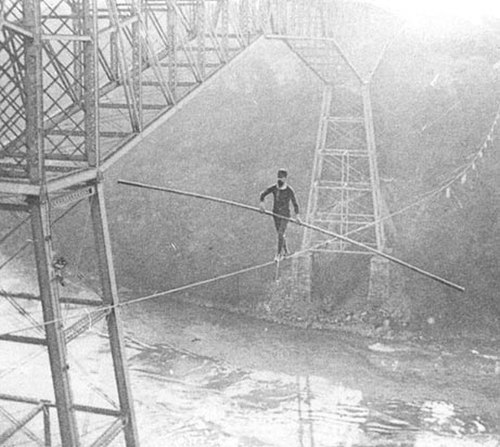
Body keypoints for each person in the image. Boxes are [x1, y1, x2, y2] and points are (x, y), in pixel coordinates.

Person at [259, 169, 300, 261]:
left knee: (281, 233)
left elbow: (295, 204)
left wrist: (297, 216)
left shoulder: (289, 190)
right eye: (278, 178)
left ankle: (278, 254)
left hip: (285, 215)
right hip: (276, 214)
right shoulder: (274, 188)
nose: (279, 180)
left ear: (285, 179)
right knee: (280, 234)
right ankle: (285, 251)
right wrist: (262, 204)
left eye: (281, 178)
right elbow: (263, 194)